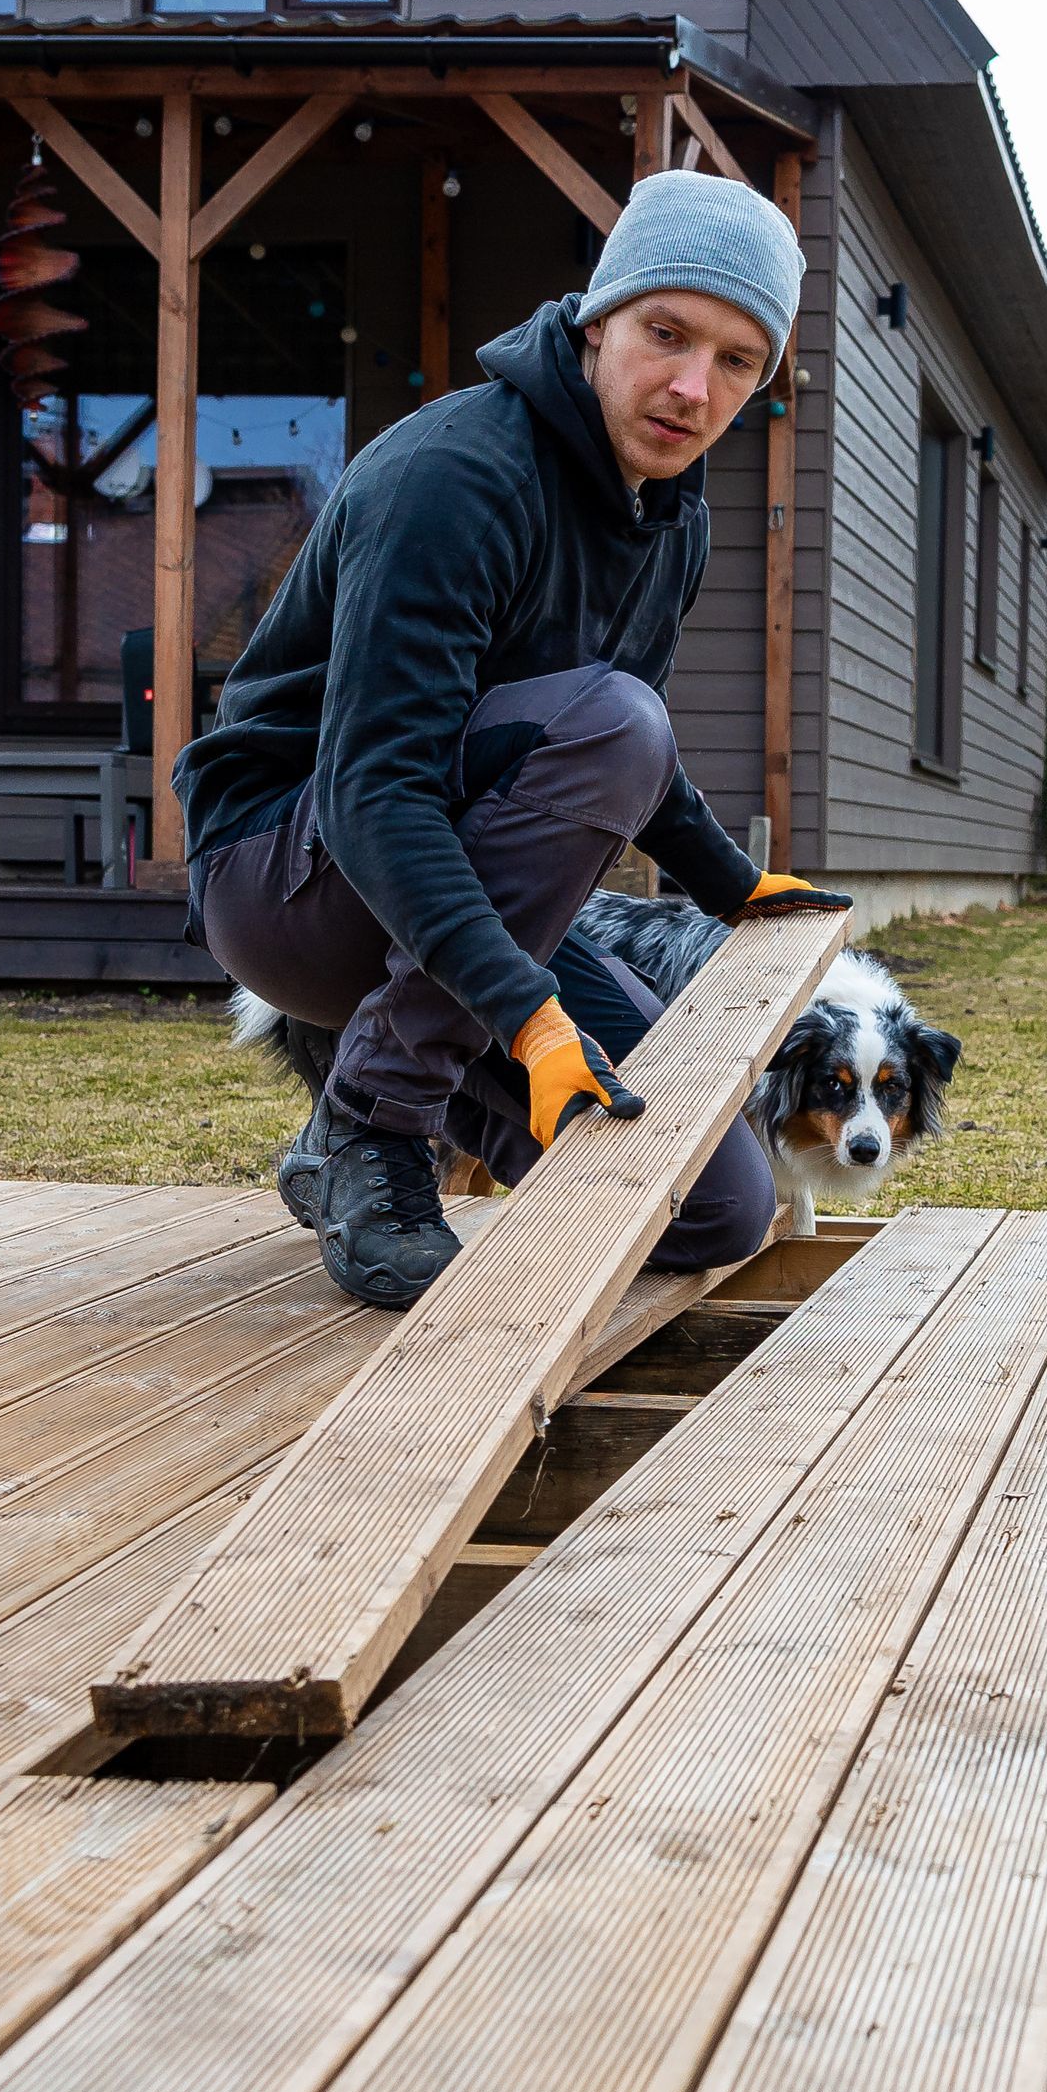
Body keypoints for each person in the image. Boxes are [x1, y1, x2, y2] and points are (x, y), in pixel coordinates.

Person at [178, 169, 849, 1311]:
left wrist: (731, 886)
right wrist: (526, 1013)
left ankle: (344, 1134)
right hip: (291, 878)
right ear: (599, 318)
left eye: (738, 361)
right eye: (668, 333)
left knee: (710, 1206)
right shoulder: (453, 477)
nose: (693, 387)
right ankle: (370, 1128)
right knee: (616, 722)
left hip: (460, 897)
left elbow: (628, 757)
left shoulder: (666, 515)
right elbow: (377, 791)